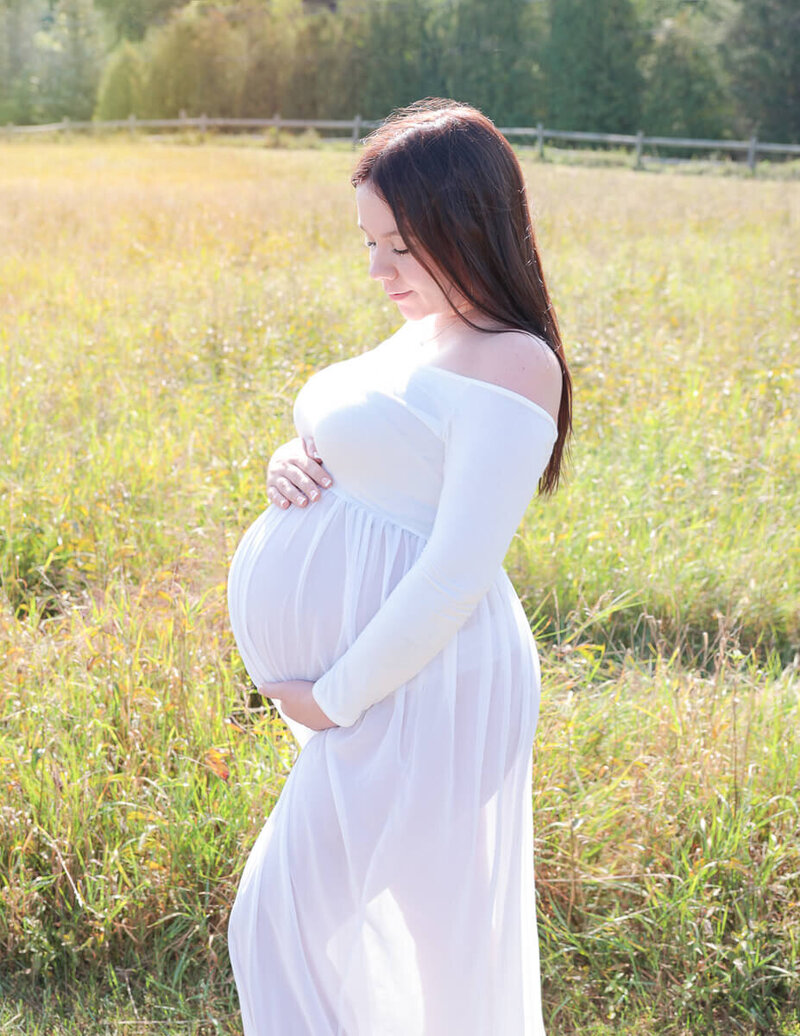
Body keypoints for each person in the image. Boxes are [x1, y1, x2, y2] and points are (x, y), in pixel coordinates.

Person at [226, 98, 572, 1035]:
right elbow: (369, 454)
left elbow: (457, 571)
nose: (379, 270)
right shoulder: (422, 332)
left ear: (470, 225)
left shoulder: (514, 362)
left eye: (403, 246)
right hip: (392, 688)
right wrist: (286, 461)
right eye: (370, 243)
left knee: (299, 924)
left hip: (433, 686)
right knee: (372, 933)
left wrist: (337, 695)